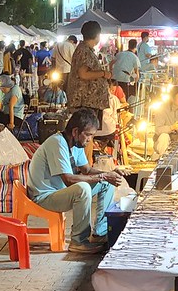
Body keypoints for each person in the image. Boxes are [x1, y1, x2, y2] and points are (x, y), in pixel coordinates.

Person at [26, 108, 126, 254]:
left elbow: (86, 169)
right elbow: (69, 180)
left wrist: (108, 174)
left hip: (59, 192)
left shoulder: (76, 144)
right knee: (82, 188)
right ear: (75, 132)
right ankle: (78, 241)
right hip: (44, 196)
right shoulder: (57, 142)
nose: (89, 140)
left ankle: (99, 232)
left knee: (105, 183)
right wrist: (104, 176)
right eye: (88, 135)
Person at [67, 21, 112, 163]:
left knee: (88, 136)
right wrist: (103, 73)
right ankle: (85, 167)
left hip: (89, 101)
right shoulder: (84, 51)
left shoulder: (85, 50)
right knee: (85, 135)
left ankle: (86, 165)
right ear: (97, 35)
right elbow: (84, 74)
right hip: (85, 100)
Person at [153, 85, 178, 159]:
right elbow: (158, 130)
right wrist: (172, 128)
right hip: (162, 141)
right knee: (164, 136)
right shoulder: (162, 109)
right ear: (172, 97)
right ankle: (164, 160)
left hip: (177, 140)